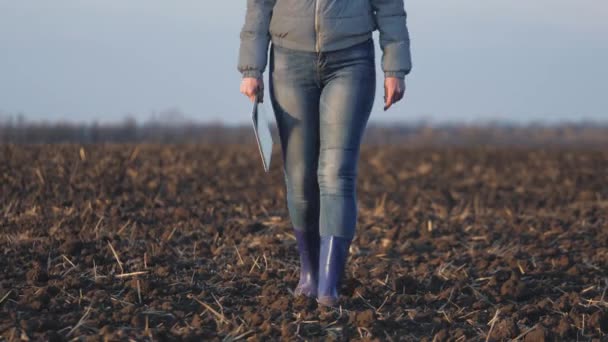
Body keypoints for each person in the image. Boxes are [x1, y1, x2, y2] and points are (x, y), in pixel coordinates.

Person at [237, 0, 412, 307]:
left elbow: (390, 6)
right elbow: (259, 5)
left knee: (335, 173)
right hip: (289, 62)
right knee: (301, 178)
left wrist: (395, 66)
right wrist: (251, 68)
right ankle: (310, 274)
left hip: (351, 60)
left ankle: (329, 287)